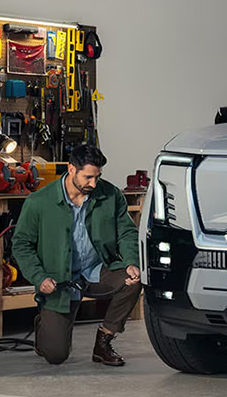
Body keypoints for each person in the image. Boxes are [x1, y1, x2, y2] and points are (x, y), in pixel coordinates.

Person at [10, 145, 141, 366]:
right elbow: (21, 244)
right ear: (71, 169)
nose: (93, 183)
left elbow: (127, 232)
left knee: (133, 282)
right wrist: (39, 277)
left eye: (97, 177)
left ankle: (104, 343)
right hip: (58, 279)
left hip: (97, 270)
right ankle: (45, 325)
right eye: (88, 177)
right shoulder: (38, 202)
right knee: (55, 355)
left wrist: (130, 262)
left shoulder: (111, 195)